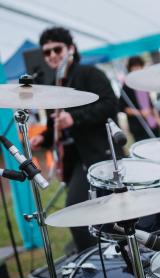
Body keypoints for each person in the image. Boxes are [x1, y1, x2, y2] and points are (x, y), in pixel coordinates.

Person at [30, 27, 122, 252]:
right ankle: (98, 261)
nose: (52, 55)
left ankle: (101, 263)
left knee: (83, 215)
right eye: (47, 52)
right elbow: (56, 126)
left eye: (56, 49)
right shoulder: (54, 86)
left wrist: (74, 117)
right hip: (74, 163)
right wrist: (43, 137)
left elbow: (111, 105)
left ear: (70, 49)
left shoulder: (90, 74)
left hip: (101, 156)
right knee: (87, 217)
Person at [119, 56, 160, 141]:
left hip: (152, 123)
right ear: (130, 69)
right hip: (138, 126)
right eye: (134, 67)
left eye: (139, 66)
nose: (137, 69)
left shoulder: (143, 83)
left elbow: (150, 104)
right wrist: (140, 113)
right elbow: (123, 108)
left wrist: (158, 119)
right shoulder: (127, 85)